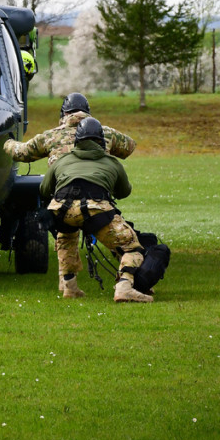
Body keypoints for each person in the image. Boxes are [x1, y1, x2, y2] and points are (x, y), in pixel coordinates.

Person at [39, 116, 153, 303]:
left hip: (61, 210)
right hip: (95, 210)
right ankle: (124, 287)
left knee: (67, 238)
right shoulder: (112, 163)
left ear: (77, 140)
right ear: (101, 141)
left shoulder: (62, 161)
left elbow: (44, 189)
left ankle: (70, 287)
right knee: (132, 248)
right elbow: (124, 192)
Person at [3, 92, 136, 164]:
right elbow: (130, 147)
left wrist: (7, 141)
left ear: (64, 113)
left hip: (63, 197)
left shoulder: (50, 137)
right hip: (100, 195)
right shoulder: (106, 132)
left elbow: (21, 152)